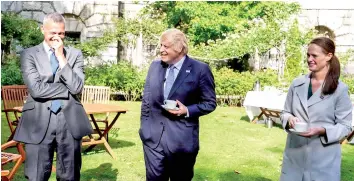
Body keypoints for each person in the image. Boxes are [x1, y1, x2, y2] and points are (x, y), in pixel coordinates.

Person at [13, 13, 93, 181]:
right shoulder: (29, 54)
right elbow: (36, 90)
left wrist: (61, 57)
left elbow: (77, 86)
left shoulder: (75, 54)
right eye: (53, 33)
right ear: (43, 30)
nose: (57, 37)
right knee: (36, 175)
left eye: (61, 33)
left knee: (69, 176)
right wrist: (68, 90)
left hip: (69, 121)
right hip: (37, 120)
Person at [139, 28, 217, 181]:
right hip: (152, 140)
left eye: (166, 46)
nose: (161, 50)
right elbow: (146, 99)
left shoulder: (200, 69)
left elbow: (210, 103)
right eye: (160, 45)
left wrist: (187, 110)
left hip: (182, 142)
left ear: (180, 47)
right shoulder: (155, 67)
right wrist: (145, 129)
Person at [280, 37, 353, 181]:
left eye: (314, 55)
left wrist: (323, 130)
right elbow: (285, 112)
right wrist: (289, 119)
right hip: (294, 157)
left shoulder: (340, 90)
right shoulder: (297, 84)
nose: (309, 59)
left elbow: (346, 126)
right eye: (308, 55)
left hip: (323, 161)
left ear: (329, 56)